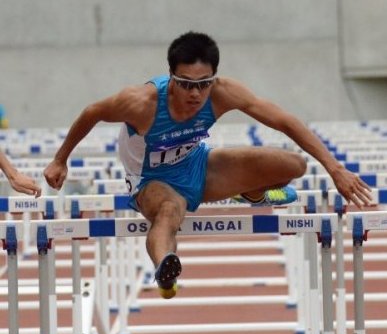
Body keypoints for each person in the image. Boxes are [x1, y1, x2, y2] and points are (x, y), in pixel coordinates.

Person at [44, 31, 372, 299]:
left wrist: (335, 168)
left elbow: (283, 120)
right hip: (151, 179)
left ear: (214, 77)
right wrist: (61, 160)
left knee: (293, 165)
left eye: (204, 83)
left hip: (198, 165)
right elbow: (91, 112)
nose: (196, 93)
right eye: (186, 83)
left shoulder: (222, 92)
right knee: (170, 211)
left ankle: (254, 194)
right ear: (171, 77)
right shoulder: (141, 102)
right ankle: (166, 269)